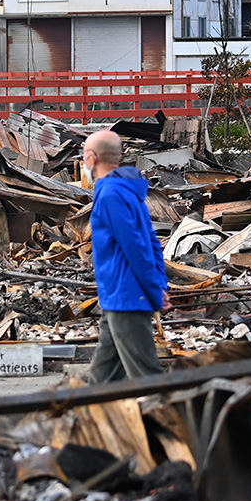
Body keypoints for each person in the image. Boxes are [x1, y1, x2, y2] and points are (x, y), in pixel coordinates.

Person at [83, 129, 170, 383]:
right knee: (102, 379)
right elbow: (151, 242)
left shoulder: (111, 195)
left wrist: (155, 293)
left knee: (147, 379)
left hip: (127, 298)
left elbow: (136, 248)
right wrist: (160, 284)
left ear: (92, 157)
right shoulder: (127, 191)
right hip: (116, 300)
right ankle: (89, 419)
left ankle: (170, 421)